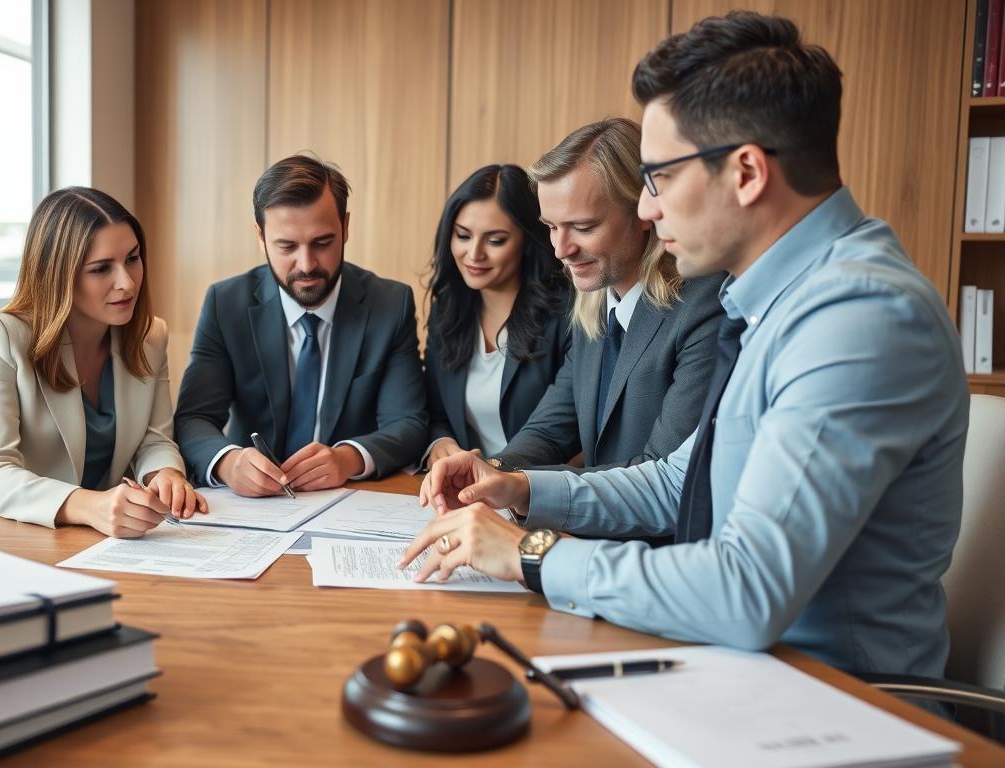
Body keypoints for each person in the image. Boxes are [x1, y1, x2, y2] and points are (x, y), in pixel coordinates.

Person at [404, 11, 967, 680]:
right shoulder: (778, 300)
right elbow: (681, 482)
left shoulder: (859, 318)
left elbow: (746, 594)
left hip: (829, 701)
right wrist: (519, 487)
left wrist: (533, 554)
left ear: (747, 173)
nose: (645, 209)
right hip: (741, 671)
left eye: (660, 178)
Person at [175, 154, 428, 496]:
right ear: (260, 236)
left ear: (346, 227)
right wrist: (228, 462)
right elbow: (194, 418)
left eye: (322, 243)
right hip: (250, 508)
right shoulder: (226, 304)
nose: (306, 265)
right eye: (287, 246)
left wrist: (348, 458)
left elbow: (408, 423)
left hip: (348, 502)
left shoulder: (390, 304)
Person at [0, 186, 206, 538]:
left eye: (133, 259)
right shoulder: (0, 336)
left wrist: (165, 475)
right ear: (57, 274)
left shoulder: (150, 337)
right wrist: (89, 505)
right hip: (16, 532)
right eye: (101, 269)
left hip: (108, 539)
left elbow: (154, 440)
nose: (126, 283)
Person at [490, 118, 725, 476]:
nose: (561, 250)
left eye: (583, 227)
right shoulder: (595, 299)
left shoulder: (703, 305)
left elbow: (663, 475)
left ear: (644, 211)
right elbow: (551, 428)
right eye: (552, 227)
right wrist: (492, 468)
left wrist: (522, 487)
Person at [421, 164, 571, 470]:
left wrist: (498, 472)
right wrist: (441, 443)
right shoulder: (447, 308)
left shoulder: (566, 313)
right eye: (463, 235)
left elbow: (572, 431)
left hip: (535, 491)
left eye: (495, 240)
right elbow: (435, 412)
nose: (474, 254)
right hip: (464, 489)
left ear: (528, 241)